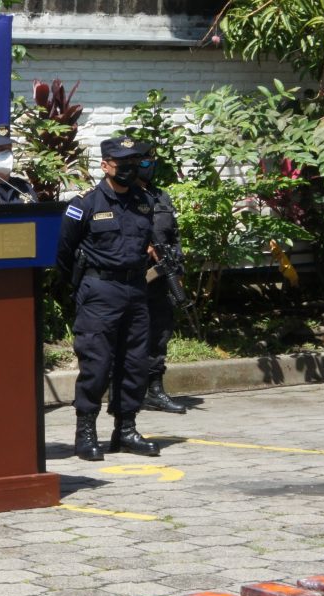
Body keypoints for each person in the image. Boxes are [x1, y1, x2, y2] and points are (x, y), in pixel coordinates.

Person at [56, 137, 160, 461]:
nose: (130, 168)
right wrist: (78, 289)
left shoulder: (145, 201)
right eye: (122, 163)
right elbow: (63, 252)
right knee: (96, 364)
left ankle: (125, 429)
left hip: (136, 290)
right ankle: (85, 432)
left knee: (135, 363)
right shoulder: (85, 203)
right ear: (105, 165)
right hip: (99, 292)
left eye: (134, 162)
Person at [136, 148, 186, 414]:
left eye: (152, 161)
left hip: (160, 279)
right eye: (144, 162)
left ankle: (155, 389)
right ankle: (123, 390)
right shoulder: (120, 197)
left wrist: (178, 271)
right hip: (131, 279)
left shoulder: (161, 196)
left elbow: (174, 236)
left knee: (159, 334)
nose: (149, 166)